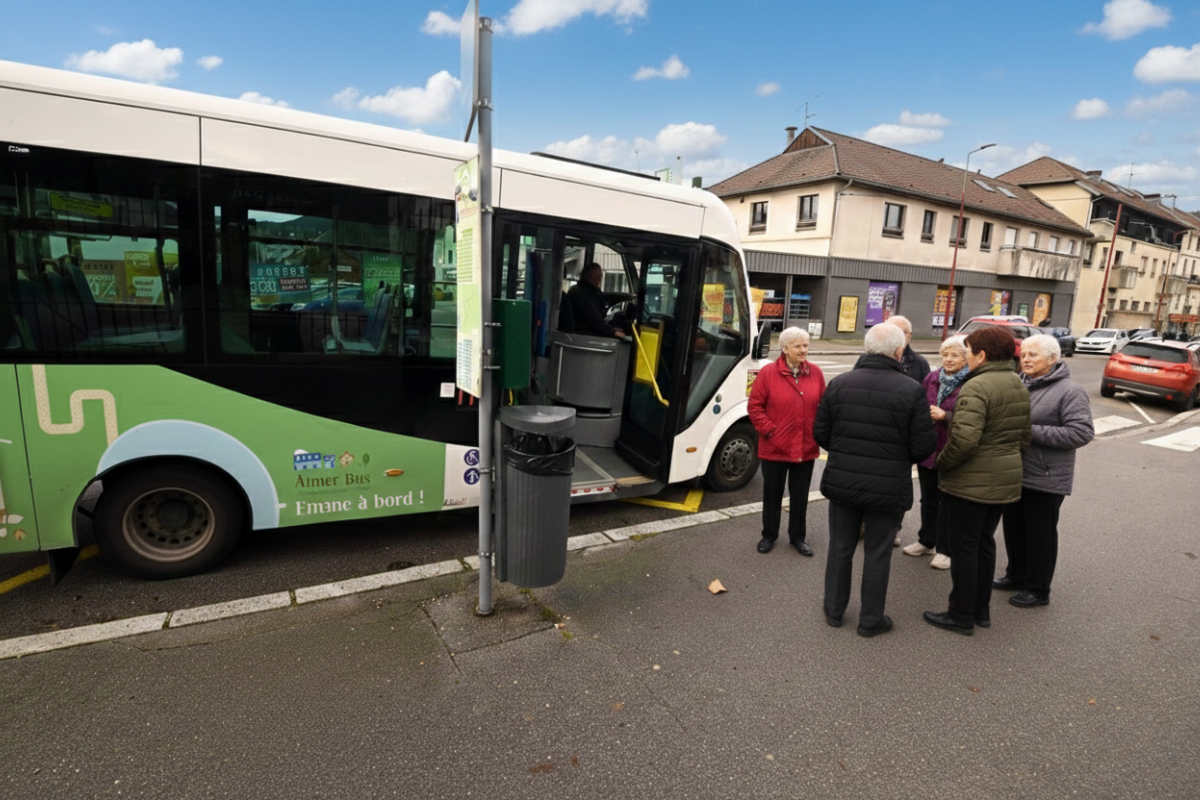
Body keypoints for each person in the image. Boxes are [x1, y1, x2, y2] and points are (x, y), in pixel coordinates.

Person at [814, 323, 936, 637]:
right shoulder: (911, 390)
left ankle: (834, 610)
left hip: (843, 481)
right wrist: (896, 458)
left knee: (840, 547)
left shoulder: (840, 384)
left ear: (867, 348)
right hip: (888, 485)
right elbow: (923, 446)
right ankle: (870, 620)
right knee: (878, 552)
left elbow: (821, 433)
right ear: (899, 351)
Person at [924, 325, 1031, 636]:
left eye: (968, 352)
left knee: (964, 548)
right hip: (1005, 479)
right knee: (984, 544)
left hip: (970, 482)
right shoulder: (1016, 382)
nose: (965, 357)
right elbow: (1024, 437)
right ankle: (981, 610)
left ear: (981, 355)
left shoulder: (977, 386)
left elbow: (965, 441)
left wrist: (942, 464)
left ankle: (960, 614)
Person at [996, 334, 1094, 607]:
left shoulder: (1070, 391)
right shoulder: (1018, 384)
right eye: (1023, 355)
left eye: (1033, 355)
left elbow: (1081, 433)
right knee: (1014, 529)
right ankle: (1015, 575)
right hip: (1015, 471)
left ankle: (1038, 589)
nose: (1025, 359)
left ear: (1053, 359)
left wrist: (1029, 431)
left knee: (1039, 536)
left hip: (1046, 476)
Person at [747, 326, 825, 556]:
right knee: (772, 495)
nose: (804, 350)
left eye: (806, 346)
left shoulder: (816, 373)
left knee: (800, 496)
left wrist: (819, 431)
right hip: (775, 446)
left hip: (806, 446)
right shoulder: (768, 373)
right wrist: (770, 430)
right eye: (798, 346)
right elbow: (754, 407)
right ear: (785, 348)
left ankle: (798, 537)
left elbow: (825, 406)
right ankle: (769, 535)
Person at [902, 335, 970, 570]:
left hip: (953, 452)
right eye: (945, 354)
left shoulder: (971, 382)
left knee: (949, 502)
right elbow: (919, 406)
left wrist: (946, 416)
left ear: (966, 358)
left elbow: (974, 418)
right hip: (929, 449)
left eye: (955, 355)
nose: (948, 359)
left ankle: (946, 549)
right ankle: (926, 540)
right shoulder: (932, 378)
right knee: (928, 499)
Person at [565, 263, 626, 339]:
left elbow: (604, 299)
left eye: (600, 276)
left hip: (591, 328)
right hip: (585, 333)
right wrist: (614, 332)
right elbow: (594, 319)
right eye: (596, 276)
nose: (599, 279)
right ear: (586, 276)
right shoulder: (581, 294)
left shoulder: (591, 290)